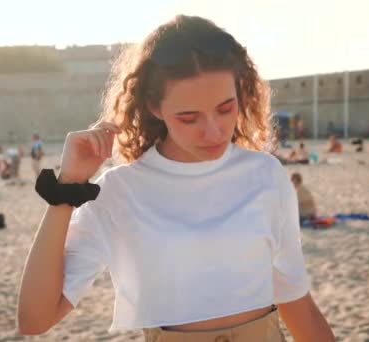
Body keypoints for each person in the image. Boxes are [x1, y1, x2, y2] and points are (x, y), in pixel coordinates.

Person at [17, 15, 334, 341]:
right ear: (155, 107)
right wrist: (68, 185)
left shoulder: (266, 174)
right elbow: (34, 318)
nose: (213, 131)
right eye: (189, 117)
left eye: (226, 108)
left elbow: (297, 303)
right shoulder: (120, 191)